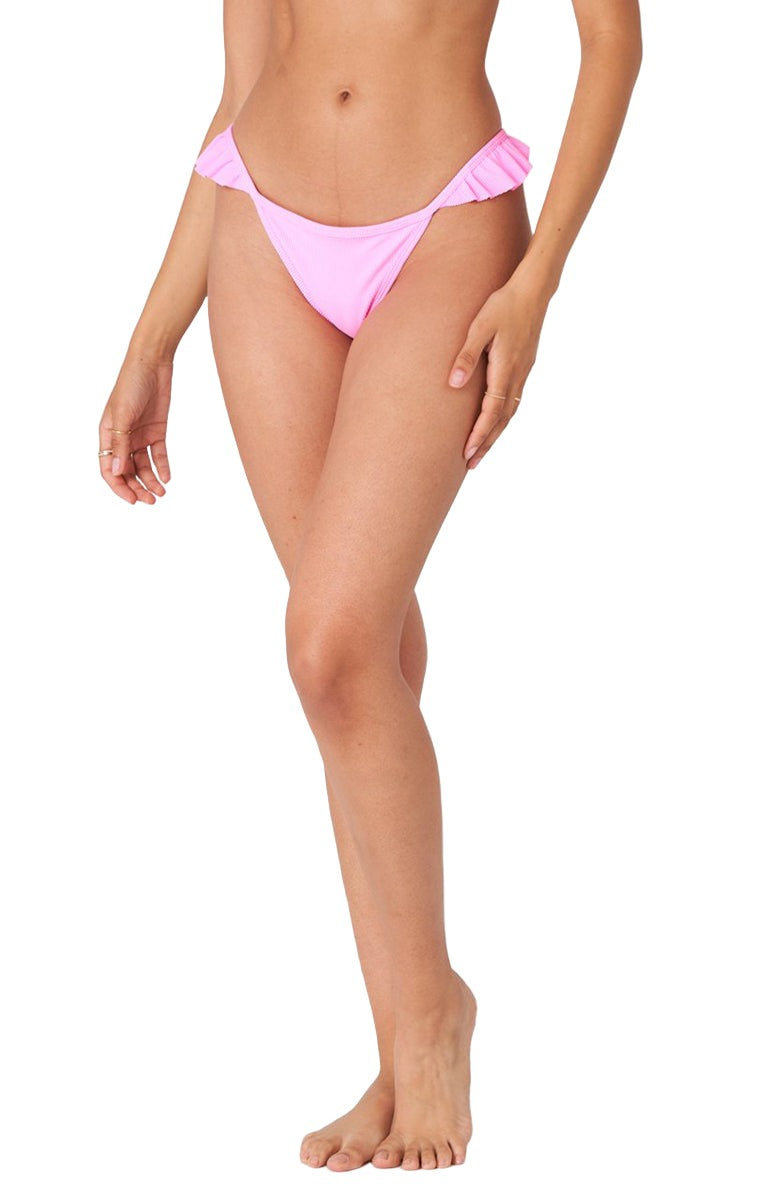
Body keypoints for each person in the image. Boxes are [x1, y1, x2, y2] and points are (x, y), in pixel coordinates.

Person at [97, 0, 642, 1172]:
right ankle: (397, 1049)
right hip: (258, 226)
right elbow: (245, 81)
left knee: (331, 645)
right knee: (354, 658)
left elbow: (611, 41)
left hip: (445, 228)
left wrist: (536, 283)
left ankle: (432, 1015)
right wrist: (151, 338)